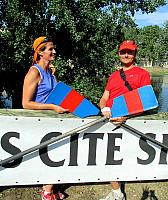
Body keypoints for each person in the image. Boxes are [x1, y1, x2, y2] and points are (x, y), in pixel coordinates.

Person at [99, 40, 151, 200]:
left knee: (121, 157)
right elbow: (104, 97)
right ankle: (117, 193)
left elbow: (147, 103)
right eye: (123, 52)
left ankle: (117, 194)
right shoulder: (114, 75)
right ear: (119, 54)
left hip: (127, 122)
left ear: (135, 54)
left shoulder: (143, 74)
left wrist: (126, 117)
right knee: (105, 156)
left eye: (130, 52)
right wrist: (103, 108)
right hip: (109, 120)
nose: (126, 55)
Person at [22, 36, 68, 200]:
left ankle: (52, 188)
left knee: (58, 153)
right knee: (51, 155)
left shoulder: (50, 71)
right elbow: (26, 103)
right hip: (40, 120)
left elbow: (54, 94)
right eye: (50, 49)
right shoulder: (34, 72)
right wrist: (52, 107)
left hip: (53, 119)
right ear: (40, 52)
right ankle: (46, 192)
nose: (54, 51)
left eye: (54, 48)